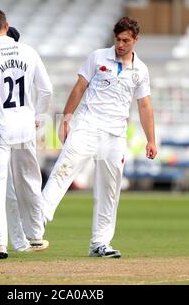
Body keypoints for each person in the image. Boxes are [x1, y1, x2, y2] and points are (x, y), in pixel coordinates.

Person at [41, 17, 157, 258]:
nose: (121, 45)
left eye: (126, 40)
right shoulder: (98, 57)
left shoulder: (141, 70)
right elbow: (79, 88)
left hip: (115, 134)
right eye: (118, 39)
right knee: (63, 169)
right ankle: (35, 224)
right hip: (87, 124)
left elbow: (145, 106)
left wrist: (151, 140)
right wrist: (66, 119)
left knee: (109, 190)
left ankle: (100, 243)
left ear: (136, 40)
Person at [0, 9, 52, 259]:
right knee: (29, 180)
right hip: (25, 127)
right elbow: (46, 90)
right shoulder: (28, 51)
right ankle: (35, 233)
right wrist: (38, 116)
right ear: (7, 25)